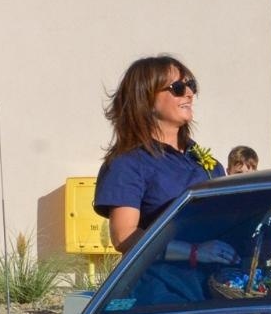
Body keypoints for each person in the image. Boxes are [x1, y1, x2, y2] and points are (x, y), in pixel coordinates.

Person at [93, 54, 236, 264]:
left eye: (191, 85)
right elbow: (124, 236)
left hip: (212, 280)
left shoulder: (208, 164)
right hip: (161, 282)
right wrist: (193, 252)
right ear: (146, 99)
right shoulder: (129, 163)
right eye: (177, 88)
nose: (189, 94)